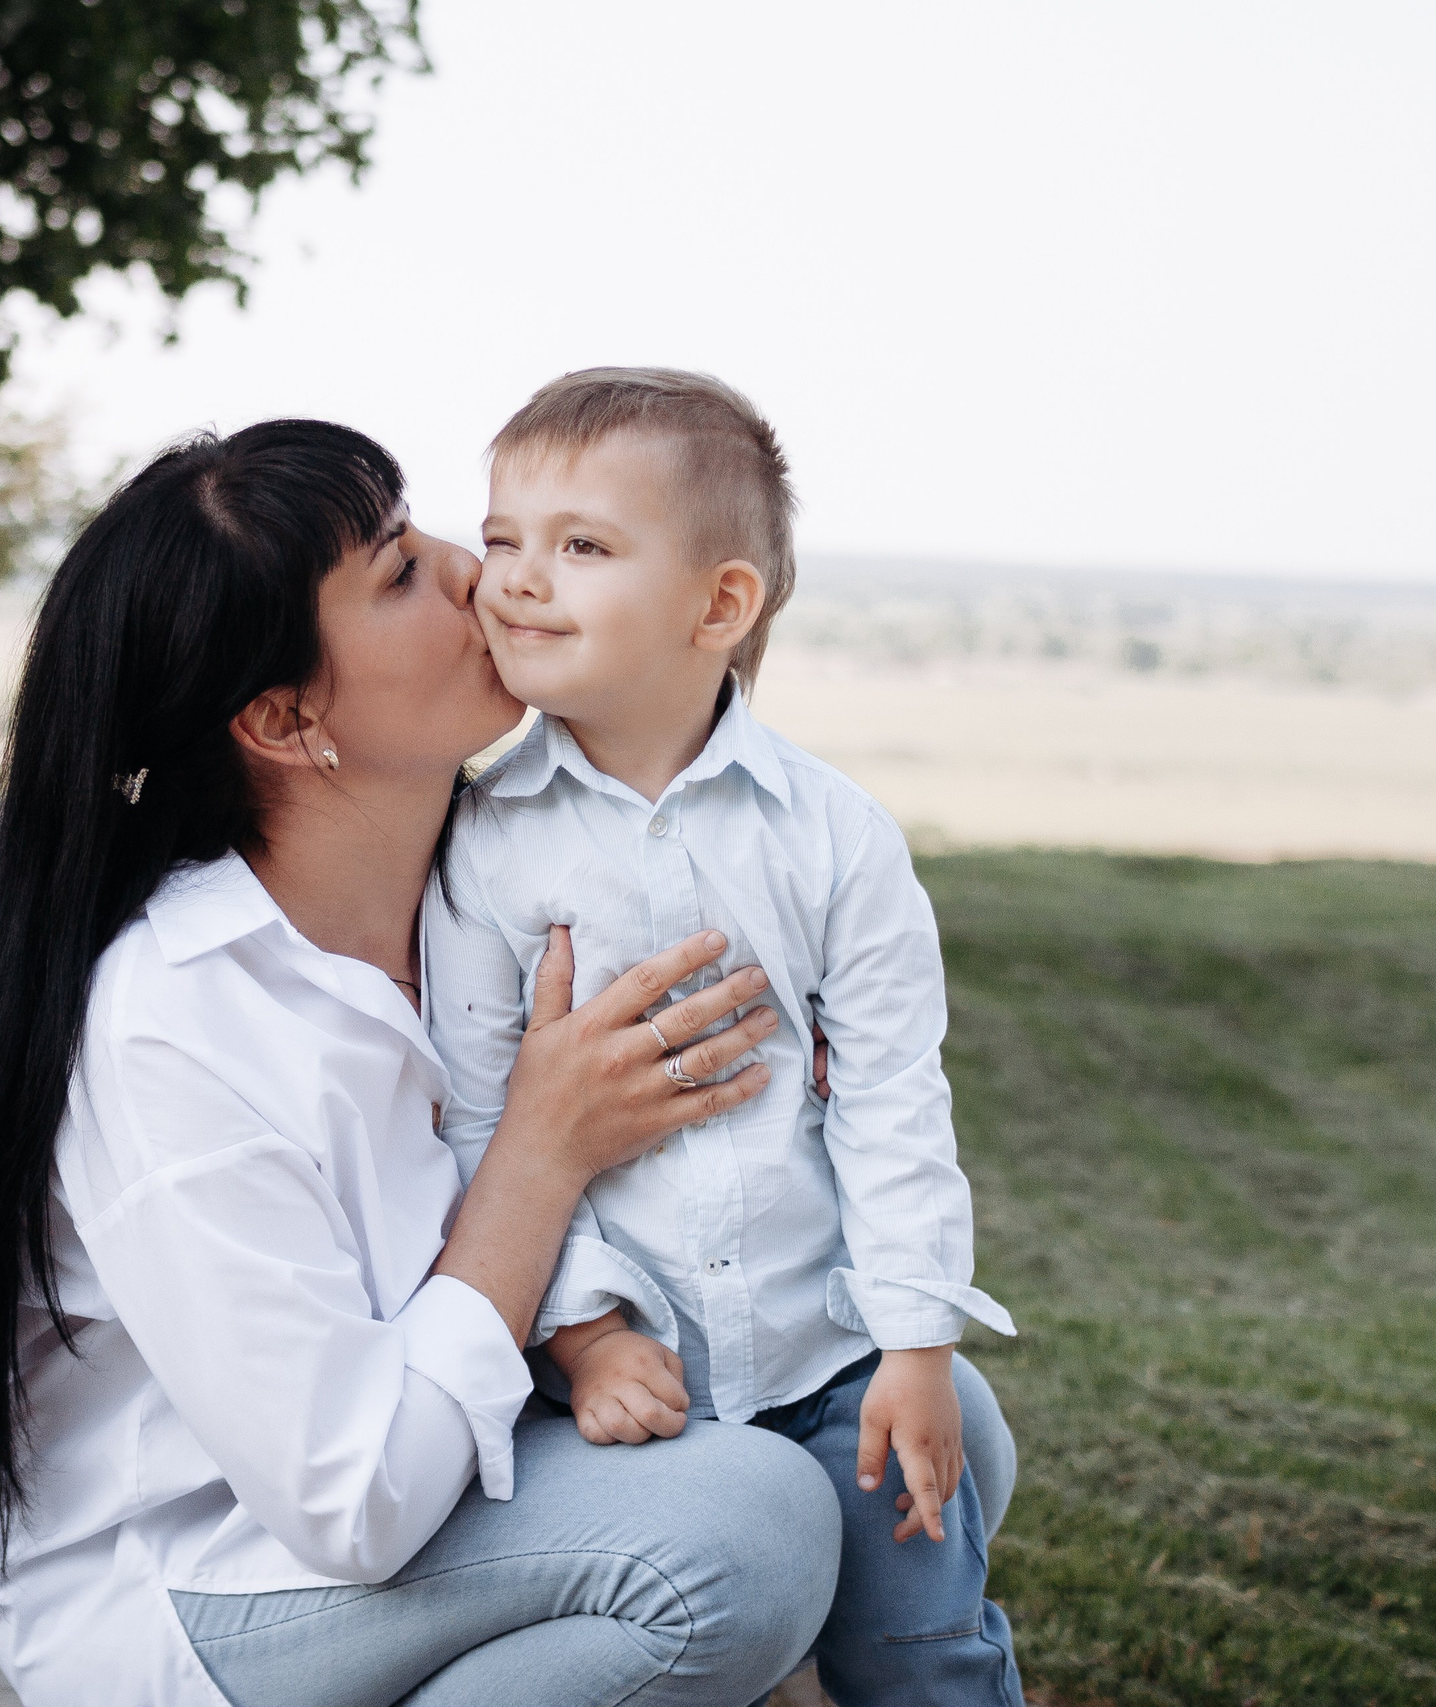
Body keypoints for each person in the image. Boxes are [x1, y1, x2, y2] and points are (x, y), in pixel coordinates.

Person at [0, 420, 850, 1706]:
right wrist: (540, 1155)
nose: (474, 569)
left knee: (904, 1442)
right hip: (216, 1582)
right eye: (397, 572)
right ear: (286, 719)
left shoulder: (487, 887)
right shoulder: (175, 1021)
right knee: (743, 1529)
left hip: (443, 1468)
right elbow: (355, 1501)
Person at [427, 367, 1024, 1706]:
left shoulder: (831, 834)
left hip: (827, 1348)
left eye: (582, 544)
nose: (515, 576)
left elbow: (888, 1094)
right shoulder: (481, 846)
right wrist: (580, 1331)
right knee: (723, 1648)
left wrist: (916, 1343)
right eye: (504, 535)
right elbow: (475, 1118)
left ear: (722, 604)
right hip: (624, 1383)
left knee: (923, 1643)